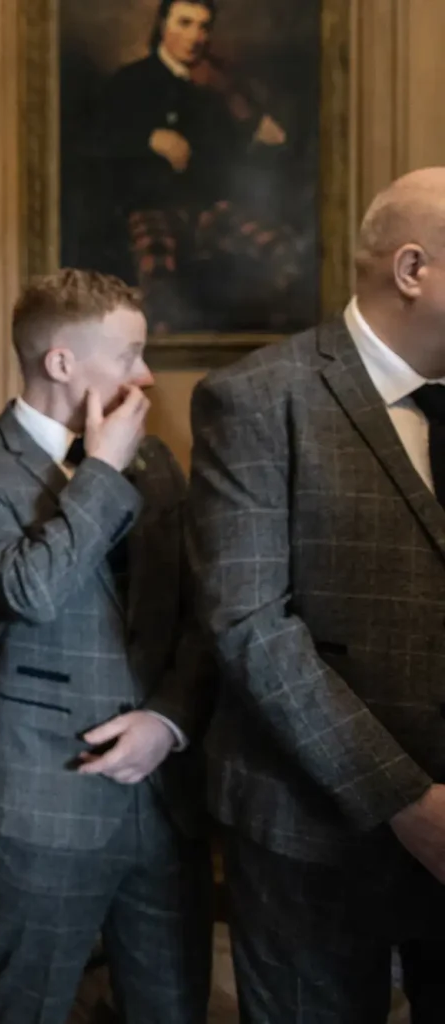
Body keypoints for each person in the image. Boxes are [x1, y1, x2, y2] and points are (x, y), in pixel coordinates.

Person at [187, 167, 445, 1023]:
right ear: (414, 270)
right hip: (313, 833)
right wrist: (404, 800)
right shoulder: (259, 398)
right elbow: (251, 624)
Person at [0, 269, 214, 1024]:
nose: (146, 375)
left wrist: (170, 721)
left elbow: (199, 614)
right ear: (61, 363)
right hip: (43, 797)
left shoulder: (158, 462)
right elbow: (32, 590)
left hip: (165, 795)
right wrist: (104, 467)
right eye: (130, 355)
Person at [89, 0, 304, 332]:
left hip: (207, 209)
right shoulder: (130, 82)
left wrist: (255, 137)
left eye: (203, 27)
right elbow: (94, 141)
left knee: (283, 249)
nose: (195, 36)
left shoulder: (211, 91)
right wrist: (148, 138)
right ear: (163, 25)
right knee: (157, 270)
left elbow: (226, 160)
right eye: (184, 23)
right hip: (149, 207)